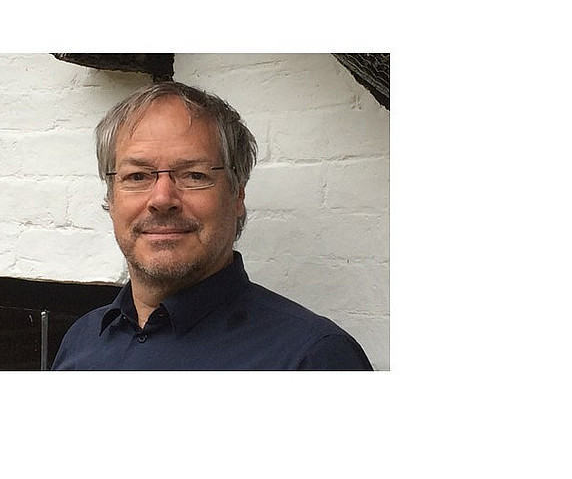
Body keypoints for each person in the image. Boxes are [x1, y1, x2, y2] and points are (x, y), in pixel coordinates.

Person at [52, 82, 373, 370]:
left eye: (194, 175)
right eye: (137, 176)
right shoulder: (82, 340)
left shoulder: (311, 358)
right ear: (111, 197)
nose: (162, 199)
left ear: (237, 194)